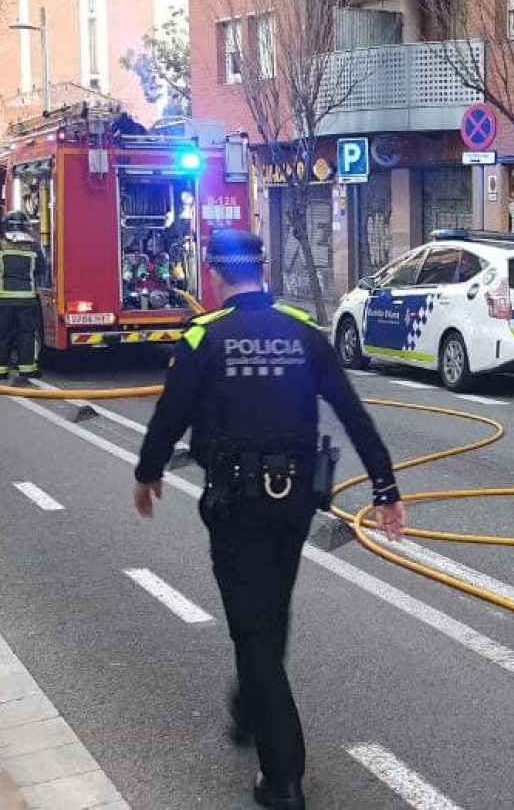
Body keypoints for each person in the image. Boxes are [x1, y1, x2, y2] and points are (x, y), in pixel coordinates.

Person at [132, 228, 405, 810]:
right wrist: (386, 487)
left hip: (236, 505)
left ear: (215, 271)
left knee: (252, 628)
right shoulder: (303, 330)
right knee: (270, 612)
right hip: (295, 504)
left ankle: (283, 777)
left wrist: (148, 471)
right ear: (263, 268)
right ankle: (248, 709)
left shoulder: (205, 334)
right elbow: (353, 413)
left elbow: (171, 412)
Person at [0, 211, 48, 381]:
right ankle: (27, 370)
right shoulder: (35, 247)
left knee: (2, 335)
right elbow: (42, 269)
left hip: (2, 300)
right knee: (26, 335)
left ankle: (0, 370)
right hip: (27, 299)